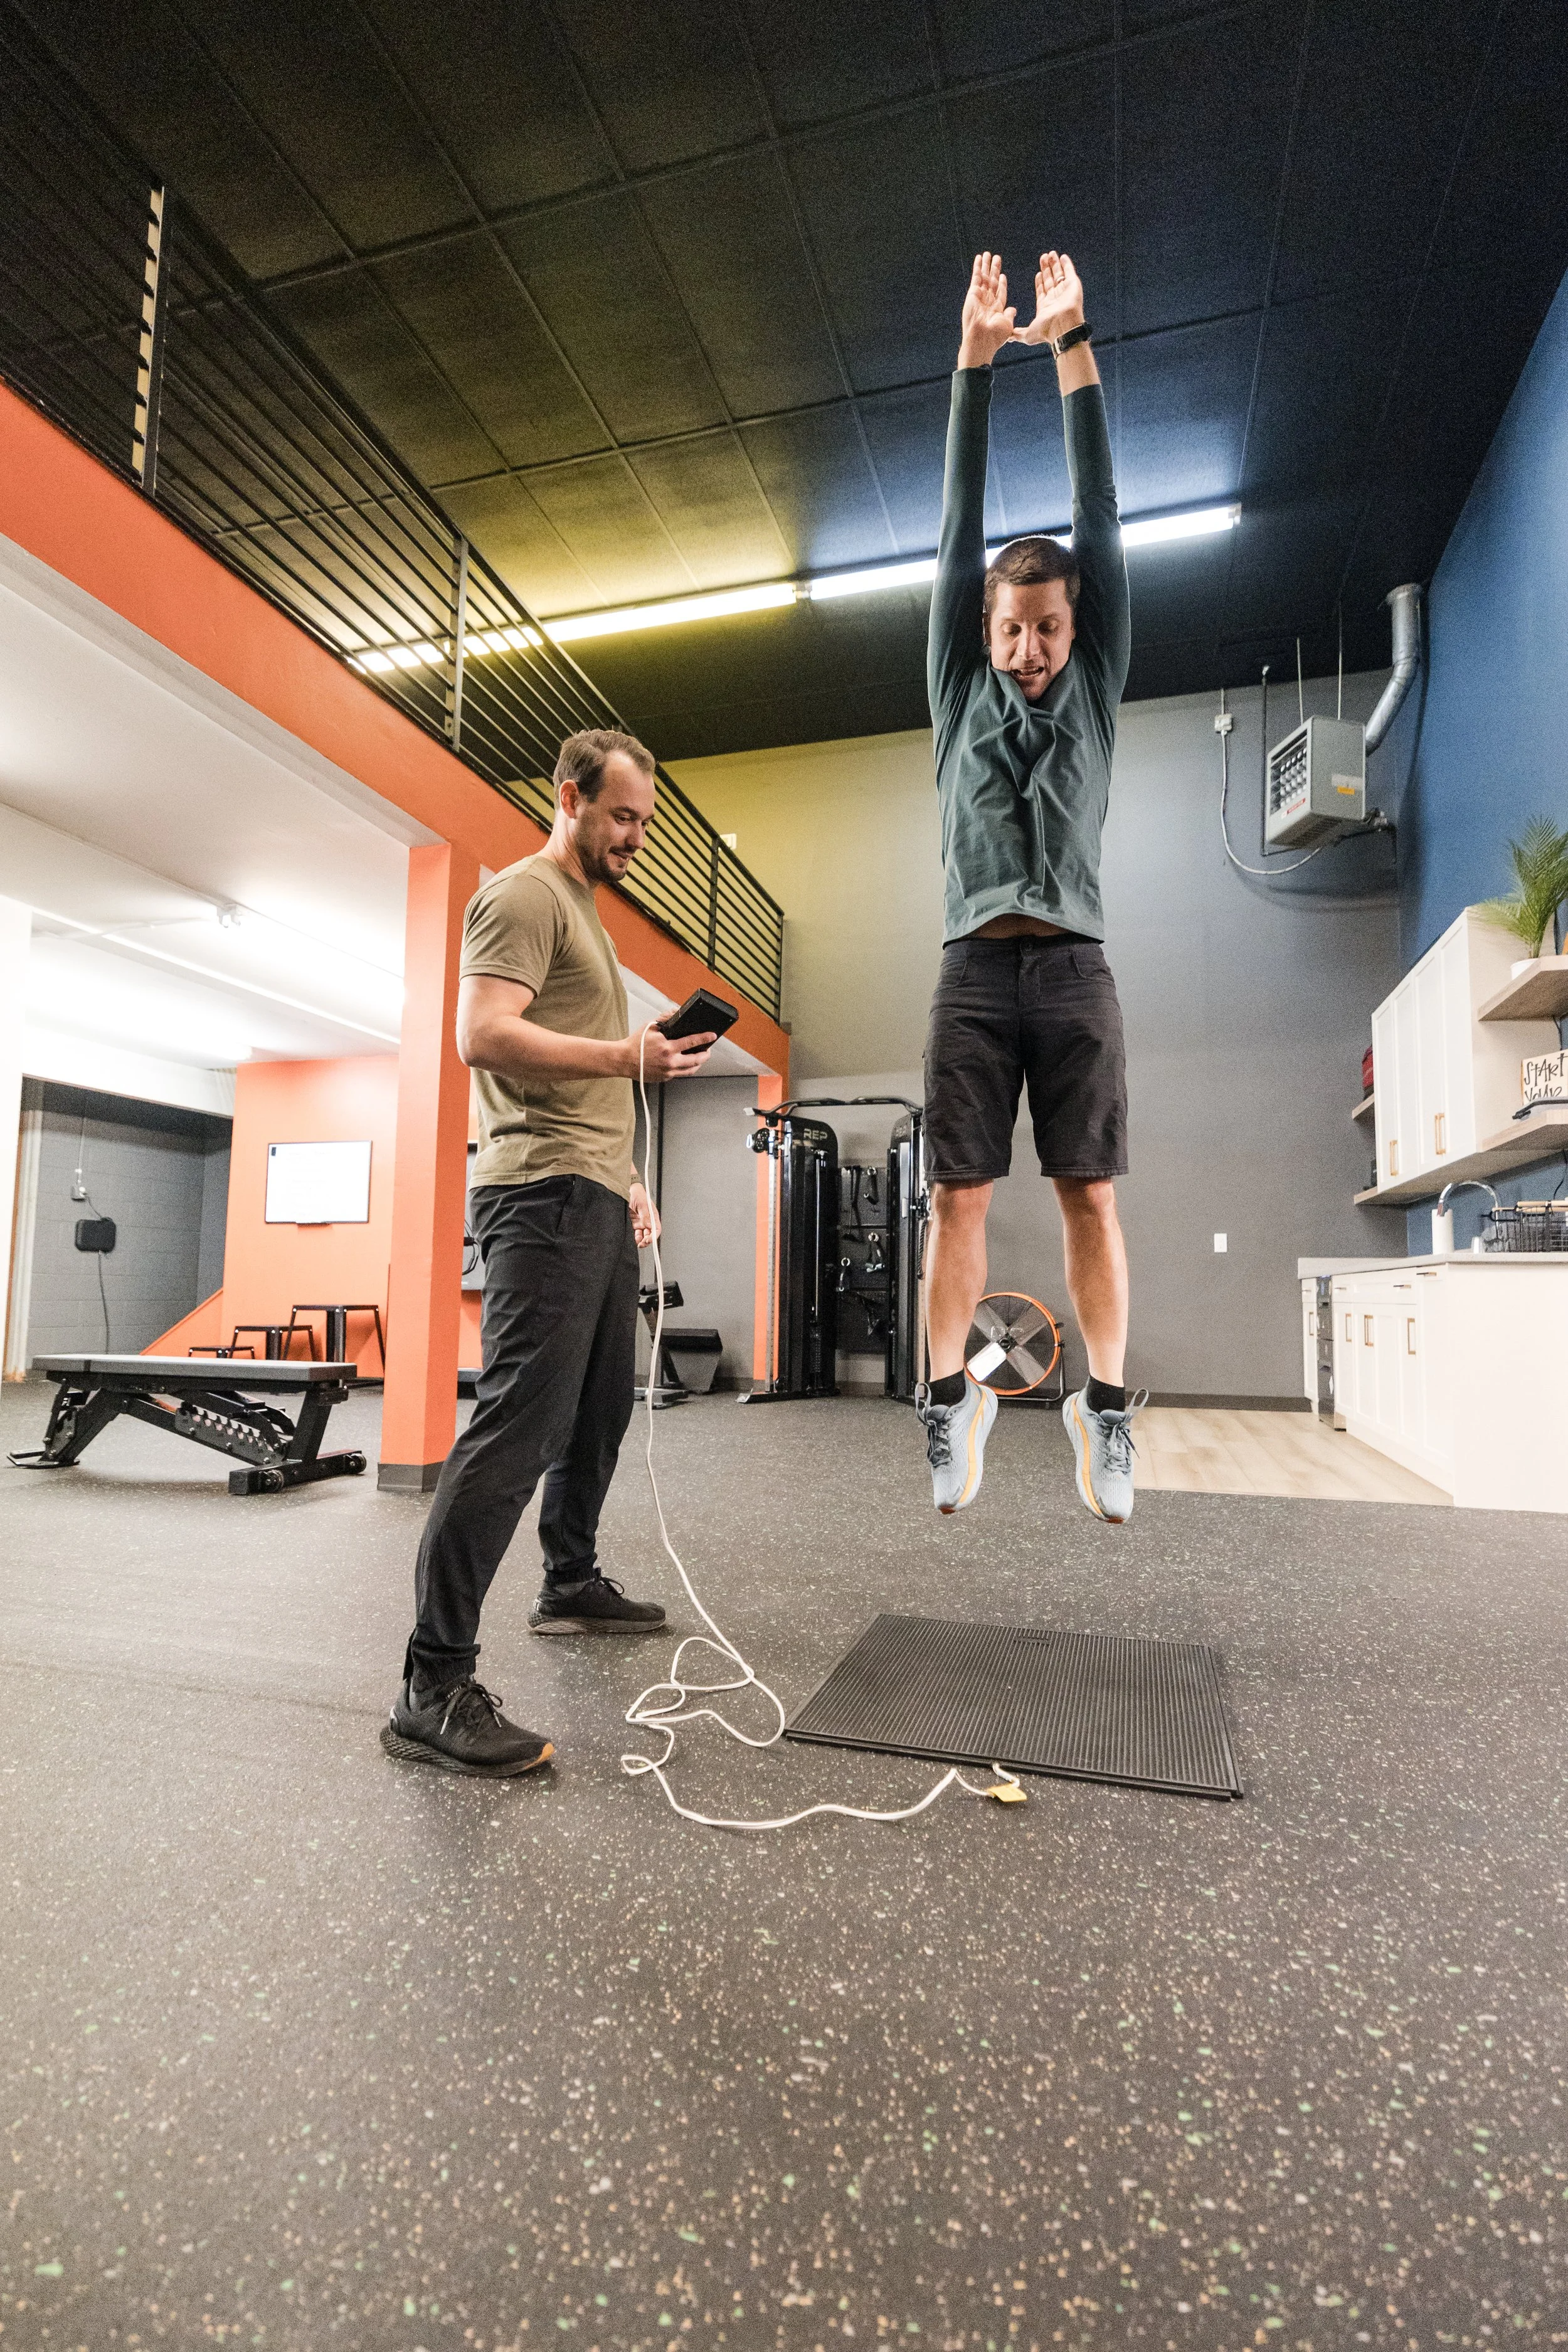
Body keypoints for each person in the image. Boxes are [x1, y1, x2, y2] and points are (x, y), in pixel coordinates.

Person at [382, 728, 717, 1777]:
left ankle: (568, 1579)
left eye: (644, 823)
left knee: (600, 1407)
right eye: (622, 817)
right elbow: (480, 1032)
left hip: (594, 1190)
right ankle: (432, 1683)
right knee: (518, 1426)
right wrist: (627, 1053)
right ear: (568, 797)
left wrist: (629, 1176)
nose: (635, 838)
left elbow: (585, 1076)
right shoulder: (525, 895)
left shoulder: (587, 917)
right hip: (536, 1194)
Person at [916, 249, 1145, 1524]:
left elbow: (1100, 518)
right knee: (958, 1195)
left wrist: (1068, 344)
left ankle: (1102, 1416)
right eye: (1009, 628)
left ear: (1074, 624)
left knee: (1087, 1194)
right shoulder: (958, 687)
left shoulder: (1094, 679)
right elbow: (957, 528)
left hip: (1071, 965)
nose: (1026, 649)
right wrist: (970, 359)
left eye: (1046, 627)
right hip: (971, 966)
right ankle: (949, 1407)